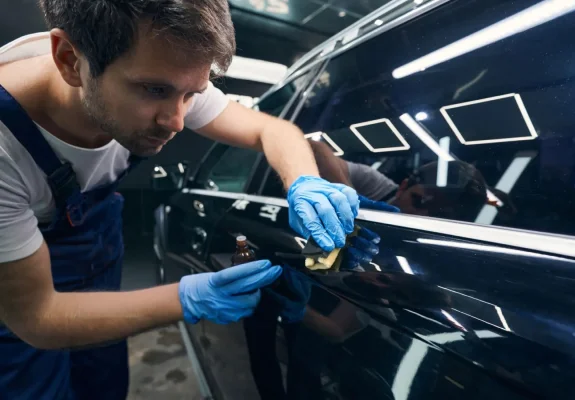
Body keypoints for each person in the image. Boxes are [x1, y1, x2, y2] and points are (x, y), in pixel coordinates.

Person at [0, 1, 359, 398]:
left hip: (95, 252)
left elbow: (268, 131)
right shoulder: (4, 149)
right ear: (69, 60)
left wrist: (304, 182)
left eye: (194, 94)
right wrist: (186, 296)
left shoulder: (164, 67)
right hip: (18, 288)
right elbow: (38, 318)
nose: (177, 121)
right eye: (155, 91)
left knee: (104, 381)